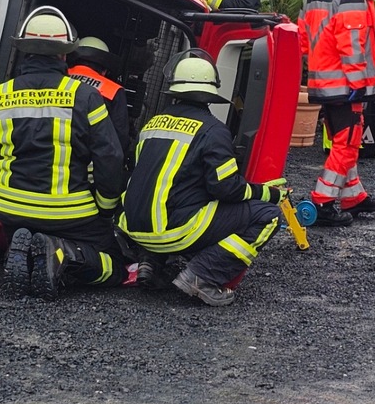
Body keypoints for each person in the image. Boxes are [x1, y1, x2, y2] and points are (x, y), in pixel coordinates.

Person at [0, 6, 125, 298]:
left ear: (24, 50)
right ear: (64, 54)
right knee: (115, 265)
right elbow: (110, 158)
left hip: (9, 210)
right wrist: (106, 207)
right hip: (68, 213)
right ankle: (61, 254)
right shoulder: (85, 97)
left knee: (28, 236)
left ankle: (27, 251)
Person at [118, 50, 284, 307]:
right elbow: (227, 189)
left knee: (175, 198)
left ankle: (151, 265)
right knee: (268, 216)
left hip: (134, 229)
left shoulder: (152, 124)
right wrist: (268, 194)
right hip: (174, 232)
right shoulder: (214, 130)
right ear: (211, 91)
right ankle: (202, 277)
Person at [300, 0, 375, 226]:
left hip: (321, 82)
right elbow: (351, 42)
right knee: (348, 142)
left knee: (343, 138)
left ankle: (353, 197)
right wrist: (359, 83)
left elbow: (302, 39)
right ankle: (322, 201)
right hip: (344, 84)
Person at [66, 36, 131, 156]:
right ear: (104, 70)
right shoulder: (113, 90)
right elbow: (119, 138)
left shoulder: (58, 77)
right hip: (86, 162)